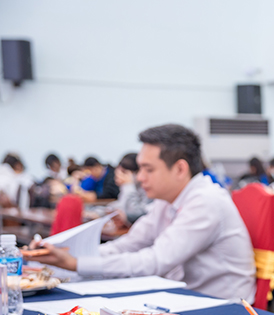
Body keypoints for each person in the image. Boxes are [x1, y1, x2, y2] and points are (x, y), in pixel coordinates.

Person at [31, 124, 256, 301]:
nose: (139, 178)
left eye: (148, 169)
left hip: (225, 314)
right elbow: (129, 244)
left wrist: (76, 263)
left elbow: (155, 261)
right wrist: (70, 256)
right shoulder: (167, 200)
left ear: (180, 169)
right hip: (187, 298)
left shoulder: (206, 201)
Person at [112, 152, 152, 224]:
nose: (120, 177)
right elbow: (120, 206)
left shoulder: (146, 188)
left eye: (124, 173)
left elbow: (134, 214)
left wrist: (129, 185)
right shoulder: (130, 187)